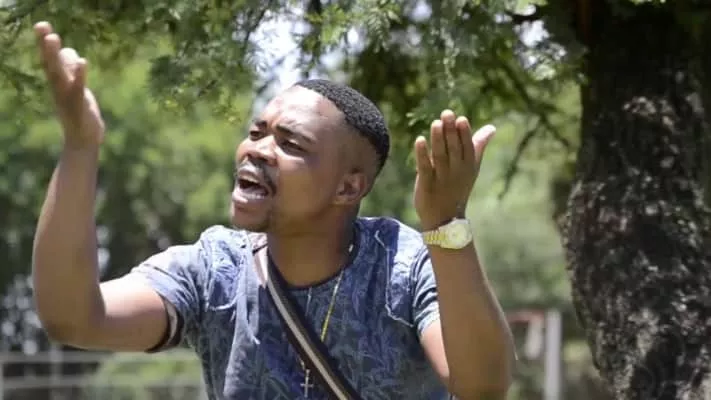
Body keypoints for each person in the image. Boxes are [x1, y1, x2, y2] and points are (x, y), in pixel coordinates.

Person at [31, 20, 514, 400]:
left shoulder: (402, 265)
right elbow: (74, 318)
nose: (257, 149)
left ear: (348, 187)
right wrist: (80, 146)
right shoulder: (214, 271)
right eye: (257, 132)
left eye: (291, 143)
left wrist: (446, 224)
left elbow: (482, 386)